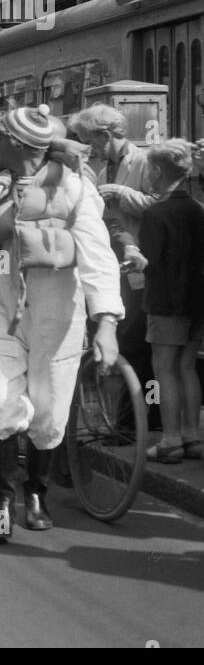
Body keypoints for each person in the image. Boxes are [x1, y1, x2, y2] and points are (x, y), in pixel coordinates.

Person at [0, 103, 123, 543]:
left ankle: (36, 493)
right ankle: (3, 502)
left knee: (49, 411)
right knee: (1, 401)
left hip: (58, 311)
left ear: (16, 144)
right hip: (0, 308)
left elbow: (98, 255)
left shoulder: (75, 189)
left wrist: (106, 322)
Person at [70, 103, 159, 422]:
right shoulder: (106, 166)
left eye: (89, 140)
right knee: (128, 344)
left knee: (138, 347)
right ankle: (133, 415)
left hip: (140, 265)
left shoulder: (144, 162)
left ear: (105, 135)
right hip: (117, 265)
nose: (88, 148)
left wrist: (120, 193)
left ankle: (151, 411)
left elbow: (160, 207)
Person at [122, 140, 204, 462]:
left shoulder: (157, 213)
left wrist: (132, 254)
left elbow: (150, 260)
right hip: (196, 301)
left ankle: (170, 440)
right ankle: (192, 436)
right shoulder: (198, 209)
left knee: (164, 368)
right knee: (187, 367)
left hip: (165, 301)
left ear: (156, 171)